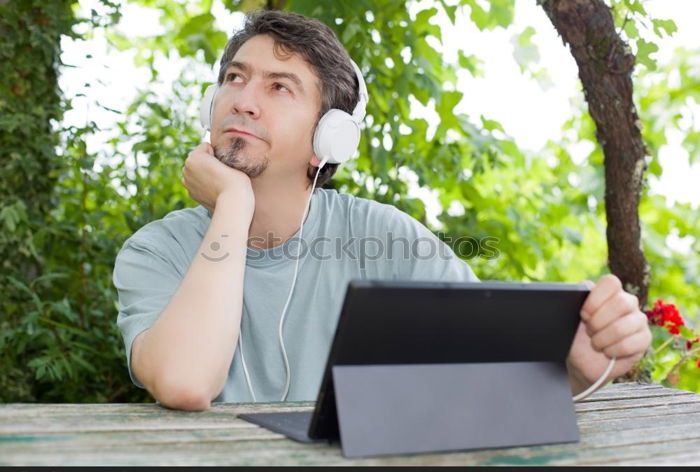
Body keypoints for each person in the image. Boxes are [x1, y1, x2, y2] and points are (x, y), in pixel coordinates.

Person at [112, 10, 651, 411]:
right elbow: (185, 382)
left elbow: (495, 375)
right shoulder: (156, 251)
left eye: (279, 87)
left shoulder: (387, 239)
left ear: (330, 138)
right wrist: (232, 204)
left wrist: (575, 368)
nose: (242, 100)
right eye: (234, 77)